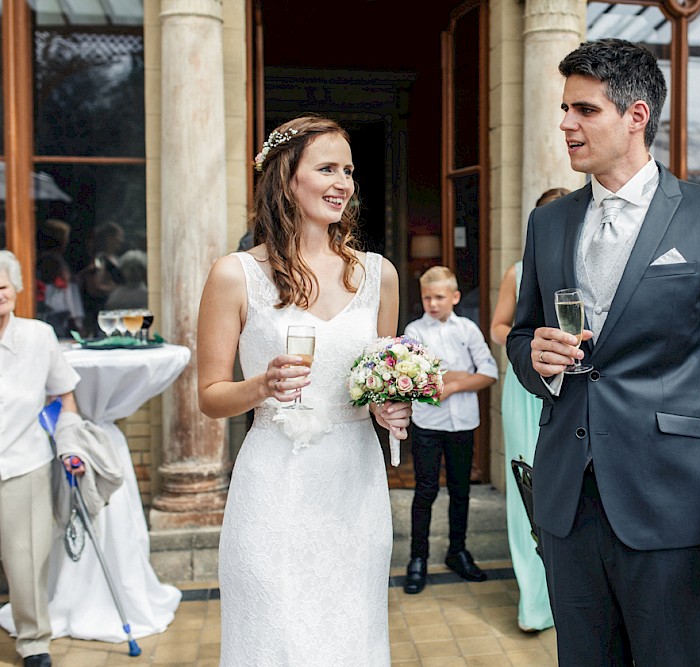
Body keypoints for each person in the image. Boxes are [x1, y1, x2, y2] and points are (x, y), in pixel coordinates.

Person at [506, 39, 700, 665]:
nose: (566, 124)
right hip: (568, 504)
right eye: (564, 110)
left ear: (636, 116)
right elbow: (522, 336)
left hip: (672, 504)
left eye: (585, 110)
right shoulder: (549, 223)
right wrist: (534, 355)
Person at [197, 115, 412, 665]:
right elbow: (210, 394)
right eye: (327, 169)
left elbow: (381, 376)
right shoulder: (235, 275)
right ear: (286, 178)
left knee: (350, 632)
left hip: (353, 486)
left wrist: (391, 404)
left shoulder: (378, 275)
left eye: (349, 171)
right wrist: (261, 385)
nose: (343, 182)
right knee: (275, 635)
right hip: (276, 480)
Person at [0, 250, 85, 667]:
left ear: (16, 287)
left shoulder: (38, 337)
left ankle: (34, 642)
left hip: (23, 463)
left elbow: (62, 395)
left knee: (24, 560)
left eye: (4, 280)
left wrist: (69, 444)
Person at [489, 187, 567, 633]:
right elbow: (500, 326)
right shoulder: (519, 271)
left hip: (574, 389)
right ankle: (535, 604)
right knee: (529, 490)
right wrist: (531, 345)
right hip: (526, 389)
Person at [402, 265, 498, 594]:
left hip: (463, 423)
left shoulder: (468, 329)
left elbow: (489, 372)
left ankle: (457, 551)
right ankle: (418, 558)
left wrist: (453, 383)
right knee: (425, 491)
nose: (432, 303)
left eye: (439, 297)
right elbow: (419, 379)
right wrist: (457, 375)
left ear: (454, 297)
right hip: (428, 424)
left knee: (461, 491)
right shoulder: (415, 331)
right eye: (427, 297)